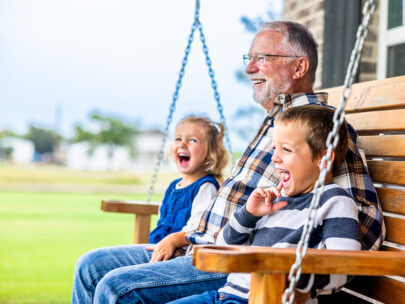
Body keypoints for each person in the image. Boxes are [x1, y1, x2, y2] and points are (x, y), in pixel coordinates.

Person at [72, 21, 384, 304]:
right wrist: (184, 235)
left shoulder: (318, 130)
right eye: (248, 59)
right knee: (89, 267)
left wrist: (291, 267)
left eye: (262, 58)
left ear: (299, 67)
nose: (250, 69)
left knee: (116, 288)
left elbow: (362, 222)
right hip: (200, 244)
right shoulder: (277, 125)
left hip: (235, 263)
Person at [168, 105, 361, 303]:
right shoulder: (274, 201)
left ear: (324, 159)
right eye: (274, 149)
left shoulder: (335, 201)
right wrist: (249, 214)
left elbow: (345, 264)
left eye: (286, 149)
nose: (274, 158)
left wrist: (295, 281)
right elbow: (223, 247)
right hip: (226, 294)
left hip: (264, 298)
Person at [72, 115, 228, 302]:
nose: (182, 144)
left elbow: (199, 230)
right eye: (178, 138)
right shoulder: (174, 186)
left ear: (211, 152)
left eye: (192, 140)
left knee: (114, 283)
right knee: (88, 264)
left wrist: (175, 242)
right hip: (158, 251)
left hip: (179, 256)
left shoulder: (206, 187)